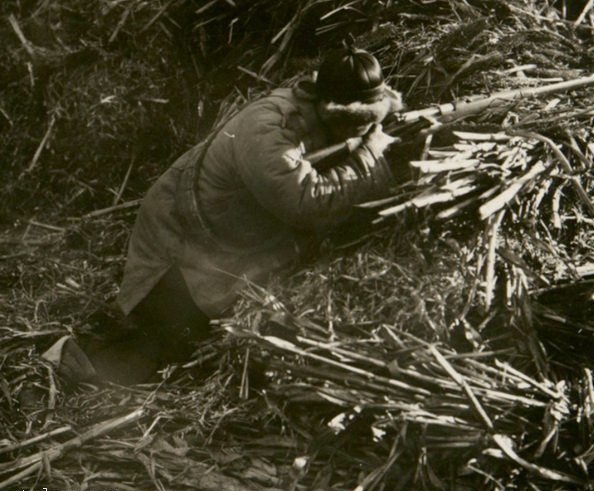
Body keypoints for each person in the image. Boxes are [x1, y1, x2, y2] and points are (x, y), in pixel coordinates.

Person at [42, 47, 404, 384]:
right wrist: (370, 155)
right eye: (357, 124)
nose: (365, 131)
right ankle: (66, 362)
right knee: (159, 342)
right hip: (182, 234)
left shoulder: (324, 117)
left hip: (234, 237)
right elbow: (305, 203)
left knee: (193, 335)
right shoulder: (269, 129)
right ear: (328, 107)